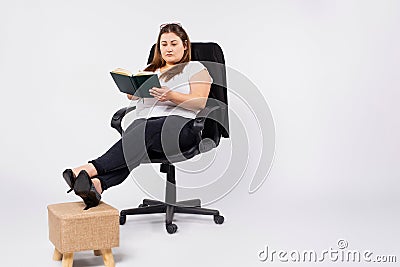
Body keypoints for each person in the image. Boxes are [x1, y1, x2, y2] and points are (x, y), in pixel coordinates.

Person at [62, 23, 213, 210]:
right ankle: (98, 185)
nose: (168, 48)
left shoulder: (195, 68)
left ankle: (89, 169)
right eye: (163, 44)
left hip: (181, 128)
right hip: (146, 128)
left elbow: (200, 102)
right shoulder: (151, 69)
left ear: (185, 45)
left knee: (142, 129)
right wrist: (133, 90)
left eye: (173, 43)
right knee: (139, 130)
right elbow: (135, 97)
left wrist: (171, 96)